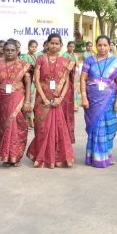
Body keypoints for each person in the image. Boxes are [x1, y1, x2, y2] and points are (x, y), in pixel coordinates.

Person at [26, 34, 75, 168]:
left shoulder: (66, 61)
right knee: (42, 128)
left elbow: (67, 83)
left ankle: (57, 157)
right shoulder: (40, 59)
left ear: (61, 45)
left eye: (57, 43)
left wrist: (60, 98)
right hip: (42, 100)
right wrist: (43, 98)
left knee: (59, 128)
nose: (54, 46)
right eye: (51, 43)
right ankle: (42, 157)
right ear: (47, 44)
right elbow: (36, 80)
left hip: (58, 99)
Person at [80, 35, 117, 168]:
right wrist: (83, 97)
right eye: (99, 45)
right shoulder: (89, 60)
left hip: (109, 100)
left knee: (109, 126)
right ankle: (94, 157)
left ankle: (107, 154)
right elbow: (83, 79)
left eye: (105, 45)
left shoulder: (114, 62)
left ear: (109, 45)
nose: (102, 48)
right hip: (92, 100)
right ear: (96, 45)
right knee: (95, 126)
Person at [0, 40, 32, 167]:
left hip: (17, 98)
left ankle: (15, 156)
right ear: (3, 51)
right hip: (1, 100)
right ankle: (6, 156)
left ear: (18, 51)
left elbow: (28, 83)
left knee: (16, 126)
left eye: (13, 50)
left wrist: (28, 101)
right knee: (4, 128)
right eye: (7, 50)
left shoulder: (24, 64)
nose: (10, 52)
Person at [22, 40, 38, 128]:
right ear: (28, 47)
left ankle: (31, 120)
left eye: (35, 47)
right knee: (28, 100)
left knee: (33, 102)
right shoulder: (25, 57)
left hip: (35, 81)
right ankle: (26, 122)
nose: (34, 48)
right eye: (32, 46)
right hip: (29, 81)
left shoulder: (35, 56)